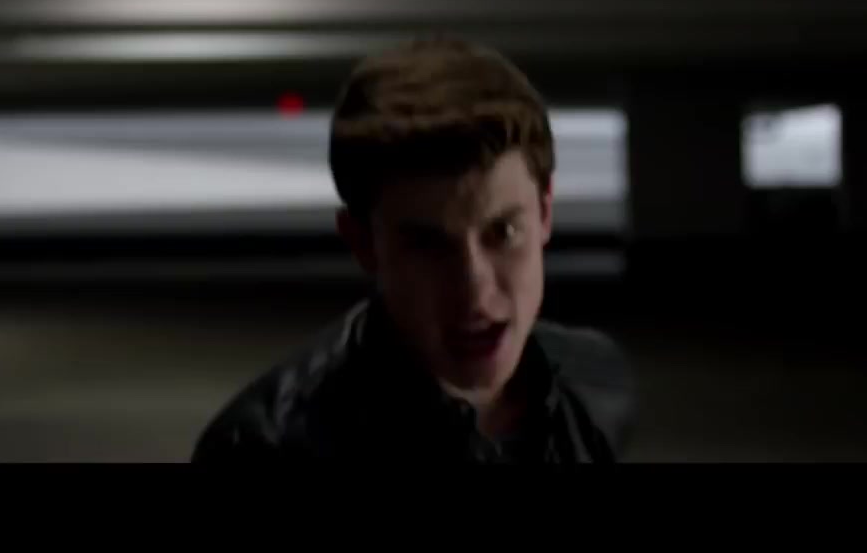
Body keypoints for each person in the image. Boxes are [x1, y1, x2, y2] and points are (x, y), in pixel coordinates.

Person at [192, 38, 634, 462]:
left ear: (545, 213)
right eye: (428, 246)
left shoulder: (596, 384)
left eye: (503, 231)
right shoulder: (263, 448)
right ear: (363, 244)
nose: (474, 292)